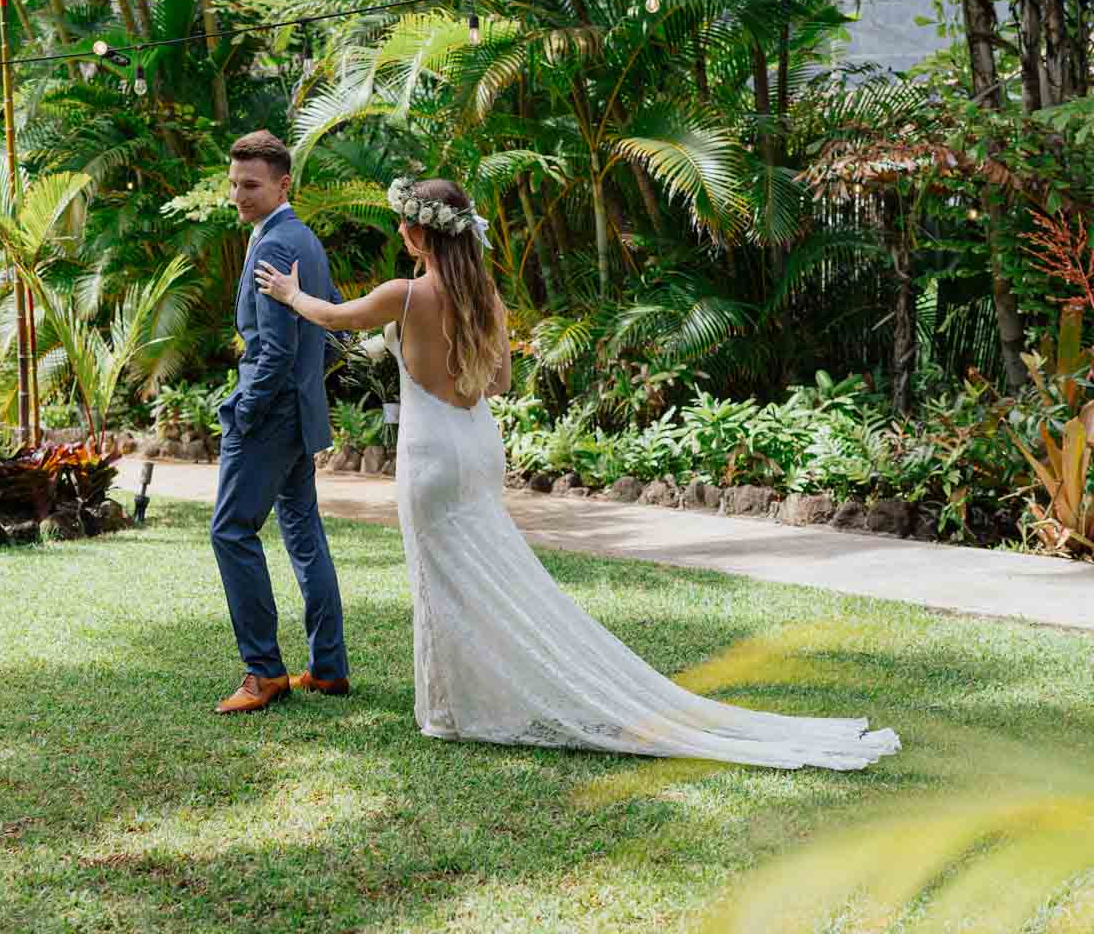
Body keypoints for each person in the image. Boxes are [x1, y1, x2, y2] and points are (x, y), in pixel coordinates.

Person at [252, 176, 900, 769]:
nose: (399, 232)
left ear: (422, 232)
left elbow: (334, 318)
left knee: (440, 582)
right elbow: (499, 382)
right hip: (476, 447)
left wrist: (288, 292)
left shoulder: (406, 293)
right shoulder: (485, 295)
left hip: (430, 459)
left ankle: (451, 711)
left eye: (404, 223)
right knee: (486, 578)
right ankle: (463, 704)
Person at [209, 131, 350, 715]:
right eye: (236, 183)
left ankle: (264, 673)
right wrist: (307, 391)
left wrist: (247, 408)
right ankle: (328, 668)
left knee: (231, 532)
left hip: (269, 417)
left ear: (282, 183)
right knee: (301, 532)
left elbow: (274, 351)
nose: (240, 195)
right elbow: (337, 330)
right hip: (300, 413)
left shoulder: (274, 246)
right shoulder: (301, 238)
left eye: (252, 184)